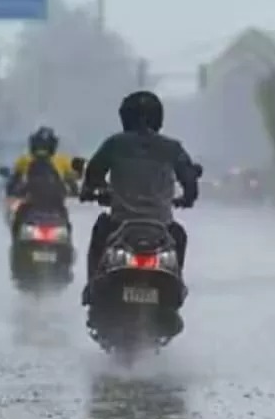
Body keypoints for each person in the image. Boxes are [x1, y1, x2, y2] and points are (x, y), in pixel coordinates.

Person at [79, 91, 199, 313]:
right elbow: (190, 180)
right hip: (162, 227)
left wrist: (93, 191)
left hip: (118, 224)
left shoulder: (114, 144)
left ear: (125, 116)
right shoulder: (173, 148)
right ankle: (176, 292)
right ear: (158, 117)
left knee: (100, 231)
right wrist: (187, 198)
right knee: (179, 235)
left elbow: (93, 174)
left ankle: (92, 289)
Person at [7, 126, 79, 236]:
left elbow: (14, 181)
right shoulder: (63, 160)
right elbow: (73, 182)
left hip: (34, 205)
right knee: (65, 225)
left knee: (18, 223)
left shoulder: (25, 160)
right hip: (53, 205)